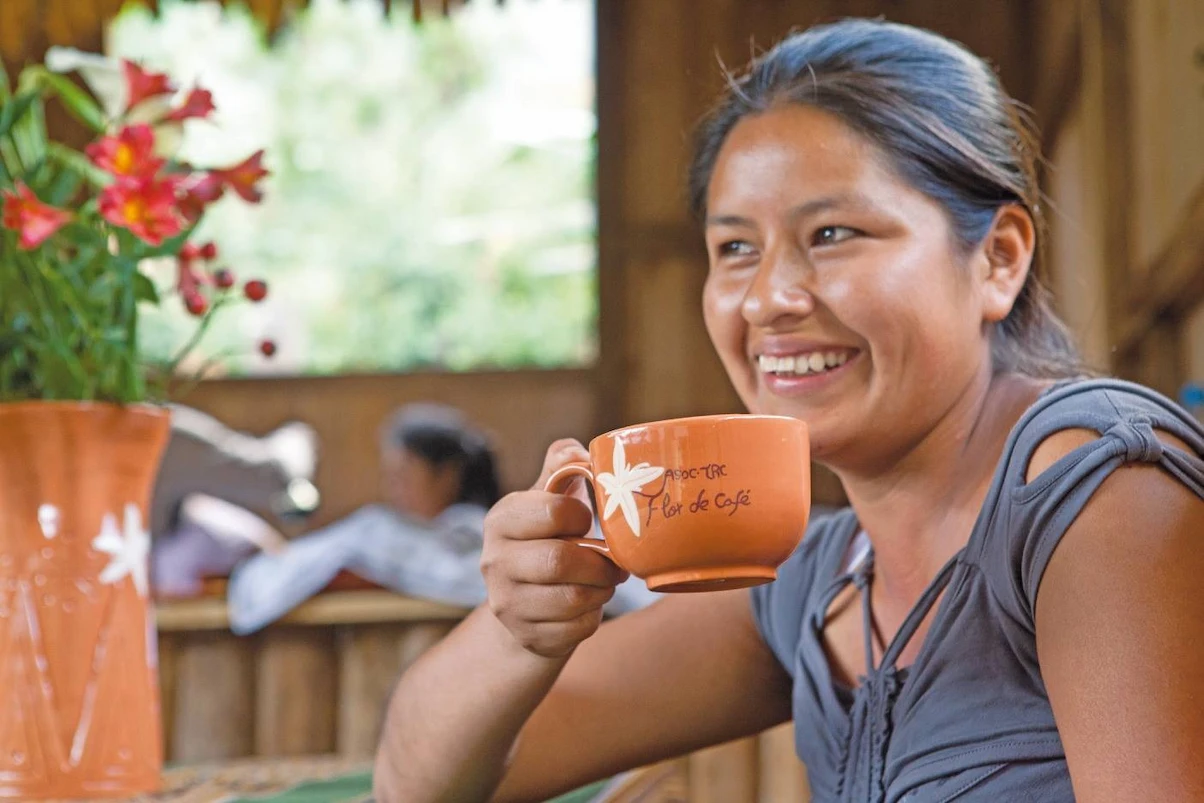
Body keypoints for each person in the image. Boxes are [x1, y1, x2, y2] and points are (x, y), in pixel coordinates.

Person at [372, 19, 1204, 803]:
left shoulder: (1095, 494)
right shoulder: (823, 577)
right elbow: (418, 782)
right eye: (735, 248)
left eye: (834, 233)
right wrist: (519, 625)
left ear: (997, 258)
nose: (768, 298)